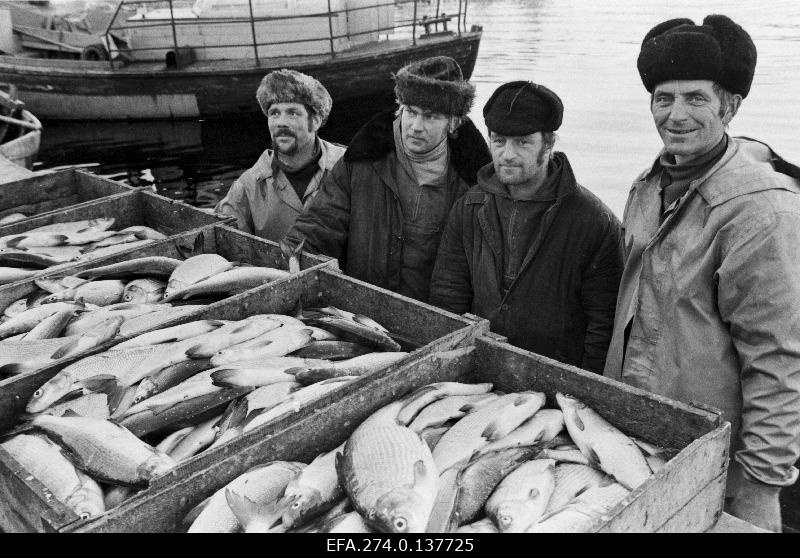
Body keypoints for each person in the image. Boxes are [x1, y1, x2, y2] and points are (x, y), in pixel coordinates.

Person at [604, 14, 800, 532]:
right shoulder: (647, 185)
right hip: (639, 439)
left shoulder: (760, 211)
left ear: (730, 107)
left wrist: (761, 486)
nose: (676, 114)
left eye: (696, 98)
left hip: (715, 457)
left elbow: (778, 359)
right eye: (663, 98)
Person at [429, 81, 624, 373]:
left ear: (549, 144)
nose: (507, 154)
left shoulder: (594, 221)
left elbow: (603, 323)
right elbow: (448, 296)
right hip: (481, 367)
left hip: (557, 376)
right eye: (499, 141)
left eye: (522, 142)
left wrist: (583, 385)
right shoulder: (468, 208)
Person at [281, 56, 491, 302]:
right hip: (360, 308)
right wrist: (291, 253)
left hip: (429, 316)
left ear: (453, 123)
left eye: (431, 116)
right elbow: (322, 222)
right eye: (411, 111)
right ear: (400, 108)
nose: (416, 126)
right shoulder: (364, 158)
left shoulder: (473, 184)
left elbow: (468, 275)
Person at [215, 69, 345, 242]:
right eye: (274, 113)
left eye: (293, 113)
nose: (281, 123)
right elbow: (220, 239)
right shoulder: (248, 187)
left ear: (315, 121)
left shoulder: (348, 168)